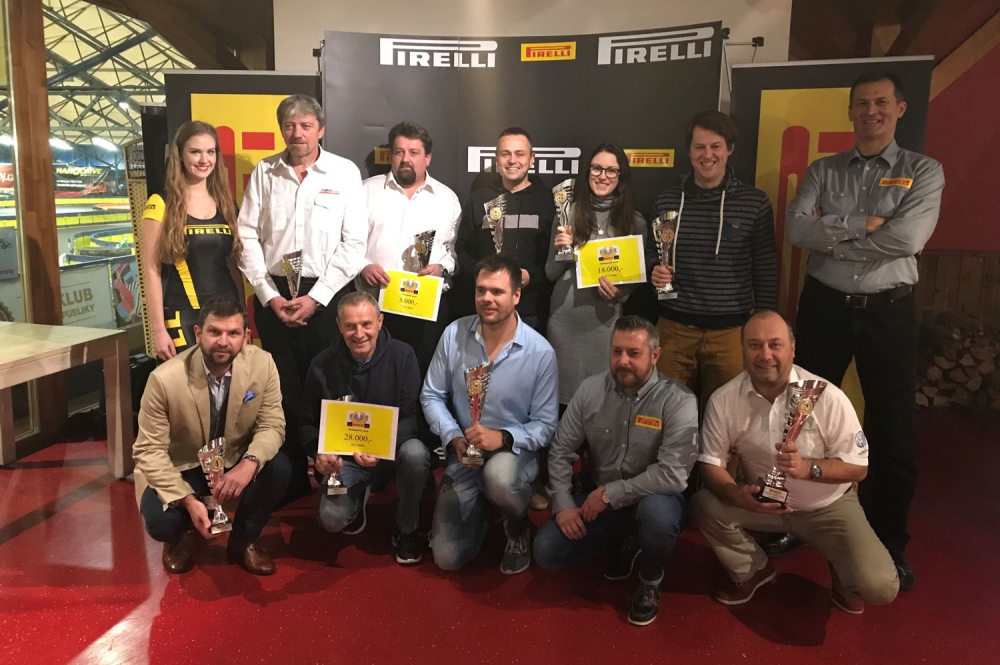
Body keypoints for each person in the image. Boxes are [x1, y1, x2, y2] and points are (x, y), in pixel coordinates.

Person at [785, 73, 945, 590]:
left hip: (889, 312)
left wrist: (833, 234)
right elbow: (796, 229)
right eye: (862, 103)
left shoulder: (924, 170)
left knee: (892, 431)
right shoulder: (823, 169)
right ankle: (793, 521)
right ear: (850, 111)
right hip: (824, 309)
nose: (871, 111)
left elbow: (908, 239)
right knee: (801, 419)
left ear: (899, 108)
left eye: (881, 102)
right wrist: (863, 225)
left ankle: (887, 542)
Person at [690, 311, 899, 614]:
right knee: (703, 505)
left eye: (775, 344)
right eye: (755, 345)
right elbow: (711, 464)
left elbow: (858, 468)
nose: (765, 355)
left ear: (792, 348)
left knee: (879, 587)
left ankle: (843, 569)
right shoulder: (724, 399)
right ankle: (753, 570)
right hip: (764, 504)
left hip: (827, 507)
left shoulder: (828, 396)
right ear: (743, 349)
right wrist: (736, 495)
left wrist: (809, 468)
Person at [238, 94, 368, 499]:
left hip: (326, 295)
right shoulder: (265, 171)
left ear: (320, 130)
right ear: (282, 129)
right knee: (282, 390)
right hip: (274, 295)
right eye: (290, 126)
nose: (298, 133)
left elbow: (354, 244)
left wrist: (318, 298)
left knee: (331, 385)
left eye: (306, 125)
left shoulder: (344, 172)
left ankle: (336, 473)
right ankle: (292, 475)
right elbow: (246, 235)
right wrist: (267, 294)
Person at [533, 315, 698, 626]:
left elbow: (673, 474)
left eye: (634, 353)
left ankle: (650, 579)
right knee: (546, 551)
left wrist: (610, 494)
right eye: (616, 351)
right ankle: (624, 542)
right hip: (600, 501)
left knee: (658, 517)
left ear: (655, 355)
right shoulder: (589, 390)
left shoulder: (679, 400)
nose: (623, 361)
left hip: (653, 499)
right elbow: (560, 450)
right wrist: (563, 503)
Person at [421, 254, 558, 574]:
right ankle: (487, 505)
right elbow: (431, 395)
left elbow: (545, 424)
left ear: (516, 295)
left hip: (513, 454)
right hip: (465, 453)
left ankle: (517, 527)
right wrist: (453, 437)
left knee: (499, 478)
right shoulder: (453, 334)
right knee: (447, 558)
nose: (487, 298)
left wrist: (504, 437)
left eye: (497, 291)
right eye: (481, 290)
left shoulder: (540, 352)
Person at [132, 299, 290, 575]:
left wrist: (249, 462)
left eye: (233, 333)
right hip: (183, 464)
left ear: (246, 336)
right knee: (162, 524)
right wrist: (186, 499)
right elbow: (148, 450)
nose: (223, 342)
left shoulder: (263, 364)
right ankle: (176, 539)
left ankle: (243, 541)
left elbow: (272, 424)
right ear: (198, 333)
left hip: (233, 457)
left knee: (279, 467)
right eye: (214, 332)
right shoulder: (164, 379)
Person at [647, 110, 778, 410]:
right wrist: (654, 268)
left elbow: (765, 268)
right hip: (674, 328)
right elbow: (652, 252)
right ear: (689, 151)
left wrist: (764, 327)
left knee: (730, 419)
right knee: (663, 413)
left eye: (715, 146)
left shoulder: (755, 203)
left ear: (729, 148)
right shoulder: (666, 201)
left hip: (731, 334)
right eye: (699, 147)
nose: (707, 155)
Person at [300, 291, 431, 564]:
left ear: (380, 322)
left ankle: (407, 529)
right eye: (350, 326)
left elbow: (411, 417)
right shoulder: (321, 364)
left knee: (416, 454)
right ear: (338, 325)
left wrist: (379, 447)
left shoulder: (403, 355)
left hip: (392, 451)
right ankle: (357, 500)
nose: (359, 334)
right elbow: (307, 422)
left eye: (366, 324)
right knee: (332, 519)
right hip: (346, 459)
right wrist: (318, 452)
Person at [546, 142, 647, 407]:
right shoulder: (567, 214)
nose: (602, 176)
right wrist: (561, 250)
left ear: (621, 176)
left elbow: (635, 281)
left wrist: (620, 294)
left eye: (611, 170)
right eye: (596, 168)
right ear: (588, 171)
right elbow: (550, 273)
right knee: (561, 407)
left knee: (599, 404)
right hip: (563, 324)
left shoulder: (635, 222)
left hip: (604, 325)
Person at [357, 121, 461, 374]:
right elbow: (347, 243)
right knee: (376, 376)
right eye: (399, 152)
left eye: (414, 152)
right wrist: (362, 266)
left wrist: (442, 268)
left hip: (425, 308)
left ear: (428, 158)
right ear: (391, 155)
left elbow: (453, 253)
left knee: (422, 376)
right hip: (375, 305)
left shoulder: (447, 198)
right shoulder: (366, 191)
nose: (406, 159)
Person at [141, 121, 243, 360]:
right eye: (195, 152)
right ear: (180, 155)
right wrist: (158, 329)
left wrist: (243, 316)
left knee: (231, 382)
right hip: (183, 316)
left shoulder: (227, 205)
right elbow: (152, 270)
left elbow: (233, 266)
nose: (204, 160)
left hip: (227, 316)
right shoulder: (160, 203)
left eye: (210, 152)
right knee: (189, 383)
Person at [455, 127, 556, 331]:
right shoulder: (479, 199)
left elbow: (554, 257)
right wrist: (483, 275)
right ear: (497, 159)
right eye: (505, 154)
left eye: (519, 154)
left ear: (532, 159)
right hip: (486, 308)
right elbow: (461, 249)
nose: (512, 160)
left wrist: (531, 276)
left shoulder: (548, 202)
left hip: (531, 312)